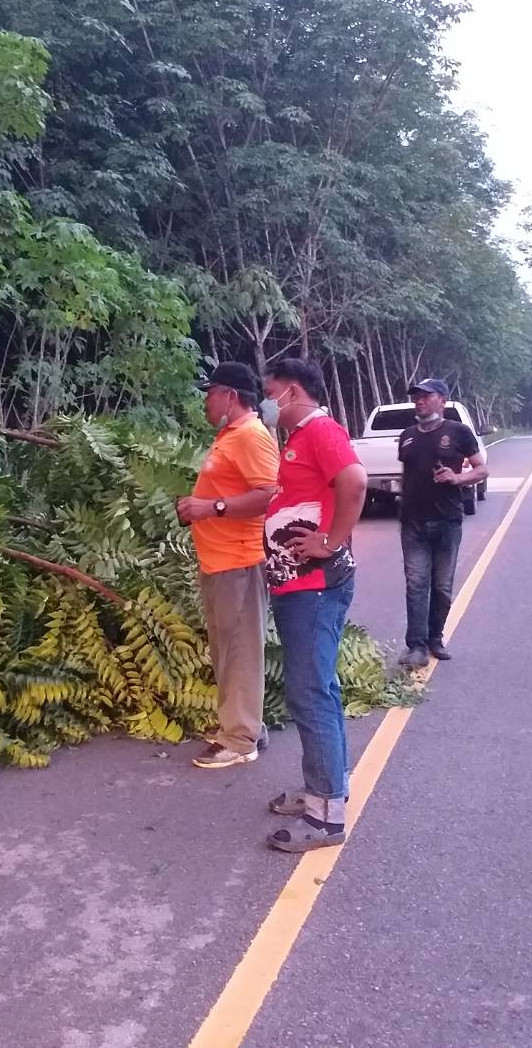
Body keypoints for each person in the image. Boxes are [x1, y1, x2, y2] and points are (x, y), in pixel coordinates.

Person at [259, 358, 367, 852]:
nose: (267, 402)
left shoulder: (321, 430)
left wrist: (331, 539)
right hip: (299, 587)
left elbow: (355, 481)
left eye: (271, 392)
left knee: (310, 692)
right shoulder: (298, 438)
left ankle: (326, 816)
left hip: (316, 587)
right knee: (316, 688)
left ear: (293, 391)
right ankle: (320, 789)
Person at [177, 362, 280, 769]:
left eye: (211, 392)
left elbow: (269, 494)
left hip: (239, 559)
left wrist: (212, 507)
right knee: (228, 650)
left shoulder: (252, 436)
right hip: (219, 561)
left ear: (231, 396)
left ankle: (239, 741)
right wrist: (198, 508)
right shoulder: (230, 434)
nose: (206, 400)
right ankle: (244, 725)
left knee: (239, 651)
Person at [396, 378, 488, 669]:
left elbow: (482, 469)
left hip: (447, 520)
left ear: (442, 400)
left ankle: (435, 638)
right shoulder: (407, 435)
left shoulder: (459, 432)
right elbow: (407, 473)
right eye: (416, 396)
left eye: (426, 396)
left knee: (443, 586)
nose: (419, 400)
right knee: (416, 583)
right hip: (412, 522)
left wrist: (457, 478)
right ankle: (417, 646)